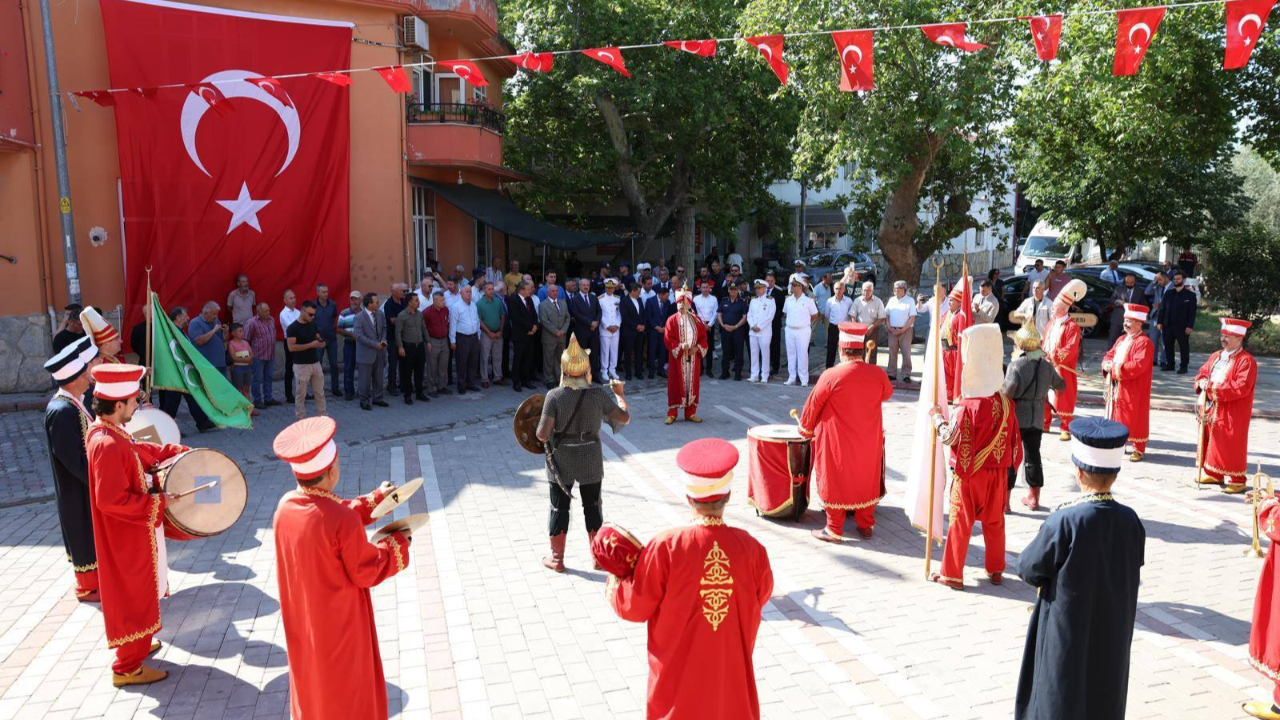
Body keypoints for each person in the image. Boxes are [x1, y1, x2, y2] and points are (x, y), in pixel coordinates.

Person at [604, 438, 773, 720]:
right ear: (728, 497)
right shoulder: (752, 548)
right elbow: (762, 594)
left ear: (687, 497)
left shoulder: (666, 546)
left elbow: (635, 607)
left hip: (677, 686)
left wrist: (615, 578)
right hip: (729, 676)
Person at [271, 417, 411, 720]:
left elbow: (327, 513)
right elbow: (366, 570)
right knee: (348, 692)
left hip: (306, 622)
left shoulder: (285, 506)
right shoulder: (340, 519)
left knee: (313, 687)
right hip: (340, 623)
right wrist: (397, 544)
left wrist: (374, 500)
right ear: (332, 471)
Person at [1015, 417, 1145, 720]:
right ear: (1115, 474)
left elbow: (1028, 568)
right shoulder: (1131, 520)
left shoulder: (1065, 520)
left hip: (1066, 631)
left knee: (1059, 695)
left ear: (1079, 471)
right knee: (1105, 695)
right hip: (1112, 630)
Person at [84, 364, 189, 686]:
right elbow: (110, 501)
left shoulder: (111, 431)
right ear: (118, 405)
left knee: (141, 592)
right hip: (125, 535)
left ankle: (139, 643)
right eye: (134, 401)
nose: (138, 405)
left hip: (132, 530)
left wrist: (176, 453)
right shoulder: (107, 443)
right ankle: (127, 667)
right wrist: (158, 502)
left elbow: (140, 451)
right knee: (132, 595)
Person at [928, 325, 1021, 590]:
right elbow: (1015, 442)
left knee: (960, 522)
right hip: (997, 474)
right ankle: (996, 569)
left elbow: (950, 438)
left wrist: (936, 418)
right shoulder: (1006, 403)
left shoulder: (967, 405)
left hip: (969, 474)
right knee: (995, 522)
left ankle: (952, 574)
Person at [534, 337, 631, 571]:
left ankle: (557, 559)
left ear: (564, 369)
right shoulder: (597, 395)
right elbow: (624, 418)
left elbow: (542, 435)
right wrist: (620, 394)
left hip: (561, 460)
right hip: (590, 457)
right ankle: (598, 558)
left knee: (559, 508)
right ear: (586, 369)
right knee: (593, 506)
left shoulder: (554, 396)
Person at [800, 323, 894, 542]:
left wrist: (806, 429)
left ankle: (834, 527)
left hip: (837, 440)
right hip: (868, 438)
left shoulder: (831, 375)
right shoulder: (878, 373)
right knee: (865, 475)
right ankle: (866, 523)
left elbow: (812, 405)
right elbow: (887, 394)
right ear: (861, 348)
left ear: (841, 349)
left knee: (836, 476)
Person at [43, 336, 102, 602]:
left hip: (86, 484)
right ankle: (88, 586)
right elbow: (71, 458)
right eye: (84, 375)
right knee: (82, 533)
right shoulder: (62, 410)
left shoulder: (74, 403)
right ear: (73, 379)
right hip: (76, 488)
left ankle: (98, 580)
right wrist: (97, 479)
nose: (89, 378)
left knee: (90, 532)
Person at [1002, 321, 1065, 512]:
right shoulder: (1046, 366)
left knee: (1011, 457)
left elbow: (1007, 392)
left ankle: (1004, 502)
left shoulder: (1016, 365)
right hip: (1037, 416)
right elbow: (1061, 385)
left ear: (1020, 344)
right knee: (1033, 456)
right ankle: (1034, 498)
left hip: (1017, 417)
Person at [1194, 318, 1259, 494]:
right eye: (1222, 335)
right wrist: (1201, 382)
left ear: (1239, 338)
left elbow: (1241, 386)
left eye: (1228, 336)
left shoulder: (1246, 361)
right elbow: (1203, 372)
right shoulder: (1216, 355)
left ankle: (1238, 480)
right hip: (1211, 406)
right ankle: (1214, 473)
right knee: (1213, 440)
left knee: (1230, 443)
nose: (1223, 339)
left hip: (1232, 410)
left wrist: (1212, 388)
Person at [1102, 304, 1154, 462]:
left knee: (1136, 416)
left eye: (1129, 321)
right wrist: (1106, 363)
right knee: (1117, 415)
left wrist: (1114, 369)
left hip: (1134, 387)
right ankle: (1118, 443)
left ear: (1139, 323)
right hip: (1117, 386)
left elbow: (1138, 365)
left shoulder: (1144, 342)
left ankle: (1138, 448)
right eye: (1125, 320)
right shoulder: (1121, 339)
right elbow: (1109, 354)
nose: (1125, 324)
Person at [157, 307, 216, 432]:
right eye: (186, 316)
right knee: (172, 402)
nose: (188, 318)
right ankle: (167, 428)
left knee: (192, 396)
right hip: (175, 372)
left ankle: (202, 421)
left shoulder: (179, 331)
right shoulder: (171, 332)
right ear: (178, 318)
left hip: (183, 371)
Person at [1043, 279, 1087, 440]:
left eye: (1055, 307)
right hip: (1047, 364)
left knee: (1063, 397)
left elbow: (1070, 349)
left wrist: (1053, 356)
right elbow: (1045, 341)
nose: (1052, 309)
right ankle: (1045, 423)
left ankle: (1065, 427)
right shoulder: (1051, 322)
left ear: (1064, 309)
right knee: (1044, 395)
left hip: (1062, 368)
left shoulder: (1072, 327)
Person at [664, 287, 708, 424]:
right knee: (675, 385)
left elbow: (703, 337)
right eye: (679, 302)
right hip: (678, 359)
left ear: (689, 303)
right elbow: (668, 339)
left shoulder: (696, 320)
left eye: (684, 302)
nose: (681, 305)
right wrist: (680, 346)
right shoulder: (671, 320)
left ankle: (690, 413)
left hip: (693, 359)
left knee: (692, 385)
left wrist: (697, 348)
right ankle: (672, 413)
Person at [287, 301, 327, 420]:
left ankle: (323, 416)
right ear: (302, 311)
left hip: (315, 363)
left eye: (314, 314)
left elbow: (318, 336)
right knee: (301, 395)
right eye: (310, 314)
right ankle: (300, 419)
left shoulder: (312, 324)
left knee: (320, 393)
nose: (312, 317)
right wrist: (311, 345)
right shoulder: (293, 328)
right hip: (301, 365)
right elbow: (291, 347)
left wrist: (321, 342)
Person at [354, 293, 389, 411]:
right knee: (364, 380)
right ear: (369, 304)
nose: (378, 304)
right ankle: (364, 400)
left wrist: (383, 340)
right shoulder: (359, 317)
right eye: (376, 302)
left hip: (380, 353)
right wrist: (375, 344)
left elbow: (384, 328)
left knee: (379, 377)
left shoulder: (380, 314)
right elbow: (359, 336)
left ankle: (378, 398)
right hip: (366, 354)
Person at [1157, 270, 1197, 373]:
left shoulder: (1191, 295)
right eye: (1174, 279)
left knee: (1184, 347)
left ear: (1184, 280)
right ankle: (1170, 364)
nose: (1176, 281)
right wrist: (1159, 322)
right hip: (1167, 325)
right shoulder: (1168, 293)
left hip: (1182, 327)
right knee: (1168, 346)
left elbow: (1192, 313)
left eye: (1178, 279)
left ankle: (1184, 366)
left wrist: (1190, 326)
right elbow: (1162, 309)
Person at [395, 293, 428, 404]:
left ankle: (419, 393)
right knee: (407, 372)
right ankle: (407, 395)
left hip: (420, 346)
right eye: (416, 300)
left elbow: (424, 328)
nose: (418, 302)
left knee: (420, 371)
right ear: (409, 302)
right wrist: (400, 347)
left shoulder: (419, 314)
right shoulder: (402, 315)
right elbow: (398, 333)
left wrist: (428, 341)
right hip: (408, 347)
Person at [245, 303, 279, 408]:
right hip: (258, 355)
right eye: (265, 311)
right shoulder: (252, 323)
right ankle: (257, 400)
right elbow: (246, 340)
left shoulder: (271, 320)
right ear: (258, 312)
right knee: (257, 378)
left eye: (268, 310)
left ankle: (268, 398)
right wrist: (249, 355)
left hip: (270, 354)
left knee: (268, 377)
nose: (268, 313)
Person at [450, 285, 482, 395]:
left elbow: (477, 321)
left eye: (470, 291)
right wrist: (452, 341)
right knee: (462, 362)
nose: (469, 293)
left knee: (473, 362)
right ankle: (461, 385)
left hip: (474, 337)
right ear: (461, 293)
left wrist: (478, 335)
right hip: (462, 338)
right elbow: (453, 324)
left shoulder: (473, 305)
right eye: (466, 291)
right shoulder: (456, 307)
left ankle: (471, 383)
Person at [538, 283, 571, 388]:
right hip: (549, 337)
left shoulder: (563, 303)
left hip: (562, 337)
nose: (555, 293)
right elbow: (544, 321)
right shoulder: (543, 305)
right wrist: (556, 331)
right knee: (548, 359)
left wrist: (563, 330)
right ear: (548, 292)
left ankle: (559, 377)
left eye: (557, 291)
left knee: (560, 358)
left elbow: (567, 318)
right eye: (553, 291)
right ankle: (549, 379)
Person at [885, 281, 917, 383]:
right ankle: (891, 374)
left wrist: (902, 330)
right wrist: (889, 328)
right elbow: (887, 315)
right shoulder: (891, 300)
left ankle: (906, 374)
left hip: (906, 331)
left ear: (903, 289)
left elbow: (912, 317)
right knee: (892, 352)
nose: (895, 290)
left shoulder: (910, 300)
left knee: (906, 353)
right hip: (892, 331)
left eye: (897, 288)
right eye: (894, 288)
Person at [745, 280, 776, 384]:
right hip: (753, 331)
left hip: (764, 332)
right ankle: (754, 374)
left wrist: (760, 327)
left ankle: (764, 375)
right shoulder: (753, 300)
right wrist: (752, 325)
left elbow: (770, 316)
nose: (757, 290)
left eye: (759, 288)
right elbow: (749, 315)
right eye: (756, 288)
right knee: (754, 353)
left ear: (765, 288)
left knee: (765, 354)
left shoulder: (770, 300)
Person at [477, 281, 506, 388]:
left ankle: (497, 377)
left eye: (492, 289)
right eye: (489, 289)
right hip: (486, 334)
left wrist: (500, 330)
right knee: (485, 357)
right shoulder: (479, 303)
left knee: (498, 356)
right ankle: (484, 378)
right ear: (484, 290)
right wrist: (489, 332)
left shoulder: (497, 301)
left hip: (498, 333)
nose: (491, 291)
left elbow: (502, 316)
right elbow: (479, 320)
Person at [313, 284, 341, 396]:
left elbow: (334, 317)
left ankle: (335, 388)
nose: (326, 294)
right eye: (323, 292)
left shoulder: (333, 304)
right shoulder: (313, 305)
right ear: (318, 293)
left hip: (331, 339)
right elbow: (310, 322)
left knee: (334, 365)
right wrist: (316, 334)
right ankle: (318, 389)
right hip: (318, 340)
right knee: (317, 366)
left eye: (327, 291)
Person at [187, 302, 228, 377]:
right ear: (205, 313)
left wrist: (225, 332)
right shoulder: (195, 323)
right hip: (207, 364)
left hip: (220, 363)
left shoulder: (216, 321)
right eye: (214, 314)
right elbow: (199, 341)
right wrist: (214, 330)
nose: (216, 316)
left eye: (217, 314)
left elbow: (223, 340)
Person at [423, 290, 451, 397]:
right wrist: (427, 341)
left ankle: (442, 386)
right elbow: (424, 328)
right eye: (441, 300)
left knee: (443, 365)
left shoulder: (446, 310)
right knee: (432, 366)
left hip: (444, 340)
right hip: (432, 340)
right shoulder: (427, 312)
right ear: (434, 301)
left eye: (444, 299)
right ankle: (432, 388)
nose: (444, 302)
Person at [852, 281, 886, 367]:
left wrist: (872, 327)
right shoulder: (857, 300)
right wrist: (857, 328)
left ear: (872, 291)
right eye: (864, 290)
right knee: (859, 352)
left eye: (868, 290)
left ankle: (871, 370)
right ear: (861, 290)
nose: (866, 292)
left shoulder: (878, 302)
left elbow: (881, 318)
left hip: (873, 330)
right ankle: (860, 370)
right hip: (859, 330)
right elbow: (852, 316)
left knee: (872, 352)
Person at [717, 283, 748, 381]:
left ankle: (738, 373)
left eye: (735, 289)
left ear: (738, 290)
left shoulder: (742, 302)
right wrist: (722, 325)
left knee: (739, 352)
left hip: (738, 331)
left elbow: (745, 317)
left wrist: (735, 326)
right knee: (725, 351)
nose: (733, 291)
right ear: (728, 290)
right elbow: (719, 314)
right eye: (731, 289)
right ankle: (725, 372)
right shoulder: (724, 301)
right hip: (725, 330)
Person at [382, 284, 409, 393]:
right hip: (392, 338)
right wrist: (406, 320)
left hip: (404, 337)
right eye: (400, 291)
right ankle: (391, 386)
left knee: (404, 363)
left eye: (403, 291)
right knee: (392, 364)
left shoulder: (404, 302)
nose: (403, 293)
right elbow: (393, 320)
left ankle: (403, 384)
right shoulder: (388, 304)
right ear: (393, 292)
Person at [617, 283, 646, 381]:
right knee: (628, 353)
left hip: (640, 331)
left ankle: (638, 372)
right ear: (632, 291)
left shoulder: (640, 300)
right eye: (638, 292)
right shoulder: (624, 301)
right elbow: (625, 317)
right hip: (629, 332)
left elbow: (643, 314)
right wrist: (636, 326)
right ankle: (628, 373)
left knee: (639, 352)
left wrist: (643, 325)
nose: (639, 294)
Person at [821, 281, 854, 369]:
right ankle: (829, 369)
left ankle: (845, 369)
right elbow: (827, 314)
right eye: (836, 289)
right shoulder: (830, 301)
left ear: (844, 290)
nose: (838, 291)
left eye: (840, 289)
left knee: (845, 349)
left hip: (844, 329)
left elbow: (851, 314)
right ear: (833, 289)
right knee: (831, 349)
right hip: (833, 327)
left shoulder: (848, 301)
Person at [644, 285, 674, 379]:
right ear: (660, 295)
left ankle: (661, 370)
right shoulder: (650, 301)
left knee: (662, 351)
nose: (667, 298)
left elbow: (668, 316)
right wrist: (656, 327)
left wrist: (665, 327)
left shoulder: (667, 302)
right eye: (666, 296)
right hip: (653, 331)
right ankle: (651, 371)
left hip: (663, 331)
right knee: (652, 351)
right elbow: (649, 317)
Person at [1107, 274, 1144, 349]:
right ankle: (1110, 355)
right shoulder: (1118, 289)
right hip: (1118, 318)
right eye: (1127, 282)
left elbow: (1143, 305)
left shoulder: (1139, 291)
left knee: (1129, 341)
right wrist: (1118, 302)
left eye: (1131, 283)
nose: (1129, 284)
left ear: (1135, 282)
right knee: (1113, 340)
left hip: (1132, 320)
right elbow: (1112, 300)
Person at [692, 282, 720, 377]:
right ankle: (700, 368)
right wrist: (701, 324)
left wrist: (709, 325)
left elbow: (715, 313)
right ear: (700, 288)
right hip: (699, 325)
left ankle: (709, 369)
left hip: (709, 326)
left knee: (709, 347)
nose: (705, 289)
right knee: (699, 347)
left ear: (709, 288)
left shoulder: (714, 299)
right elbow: (693, 313)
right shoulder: (695, 299)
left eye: (707, 287)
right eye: (703, 287)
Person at [337, 292, 361, 401]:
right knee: (348, 368)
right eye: (352, 299)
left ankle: (362, 391)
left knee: (363, 369)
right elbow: (339, 329)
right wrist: (350, 334)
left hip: (362, 345)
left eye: (356, 299)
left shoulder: (365, 313)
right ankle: (349, 391)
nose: (354, 301)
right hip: (349, 344)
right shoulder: (344, 313)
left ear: (360, 300)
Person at [597, 279, 622, 382]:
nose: (610, 289)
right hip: (605, 329)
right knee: (605, 351)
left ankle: (612, 369)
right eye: (608, 287)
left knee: (614, 350)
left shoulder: (618, 298)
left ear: (614, 288)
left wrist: (617, 325)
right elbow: (600, 314)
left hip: (615, 329)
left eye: (612, 288)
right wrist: (607, 326)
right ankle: (604, 370)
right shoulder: (600, 299)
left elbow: (619, 313)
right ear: (605, 287)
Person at [280, 290, 301, 403]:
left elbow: (304, 325)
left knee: (301, 367)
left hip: (300, 341)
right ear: (285, 301)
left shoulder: (298, 312)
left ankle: (302, 391)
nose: (293, 300)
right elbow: (292, 328)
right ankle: (288, 394)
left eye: (294, 297)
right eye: (290, 298)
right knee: (290, 368)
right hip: (290, 342)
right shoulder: (283, 314)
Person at [228, 324, 255, 412]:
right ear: (233, 333)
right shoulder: (231, 343)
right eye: (240, 331)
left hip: (247, 368)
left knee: (246, 389)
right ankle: (238, 409)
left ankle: (248, 409)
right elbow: (233, 357)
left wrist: (249, 358)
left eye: (243, 331)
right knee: (237, 389)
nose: (242, 333)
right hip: (238, 368)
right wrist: (246, 360)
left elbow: (251, 353)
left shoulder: (246, 343)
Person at [1144, 273, 1169, 368]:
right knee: (1153, 340)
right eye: (1158, 280)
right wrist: (1154, 281)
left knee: (1164, 340)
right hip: (1155, 316)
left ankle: (1163, 360)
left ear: (1166, 278)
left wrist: (1161, 306)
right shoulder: (1157, 286)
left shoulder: (1172, 287)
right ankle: (1153, 359)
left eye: (1160, 280)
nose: (1159, 282)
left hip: (1166, 317)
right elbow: (1147, 292)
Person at [765, 272, 786, 377]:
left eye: (771, 281)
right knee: (765, 344)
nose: (769, 283)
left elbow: (782, 309)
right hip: (763, 325)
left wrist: (774, 318)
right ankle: (765, 365)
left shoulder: (779, 293)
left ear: (775, 281)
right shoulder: (761, 291)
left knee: (775, 344)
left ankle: (775, 366)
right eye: (768, 281)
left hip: (775, 323)